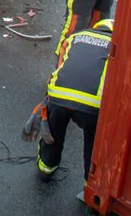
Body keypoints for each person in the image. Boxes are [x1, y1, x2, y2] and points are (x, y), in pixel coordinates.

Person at [32, 19, 113, 186]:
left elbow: (60, 66)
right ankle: (89, 184)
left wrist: (49, 99)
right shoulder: (116, 46)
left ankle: (46, 169)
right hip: (92, 104)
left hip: (59, 95)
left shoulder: (76, 37)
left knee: (53, 134)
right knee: (93, 144)